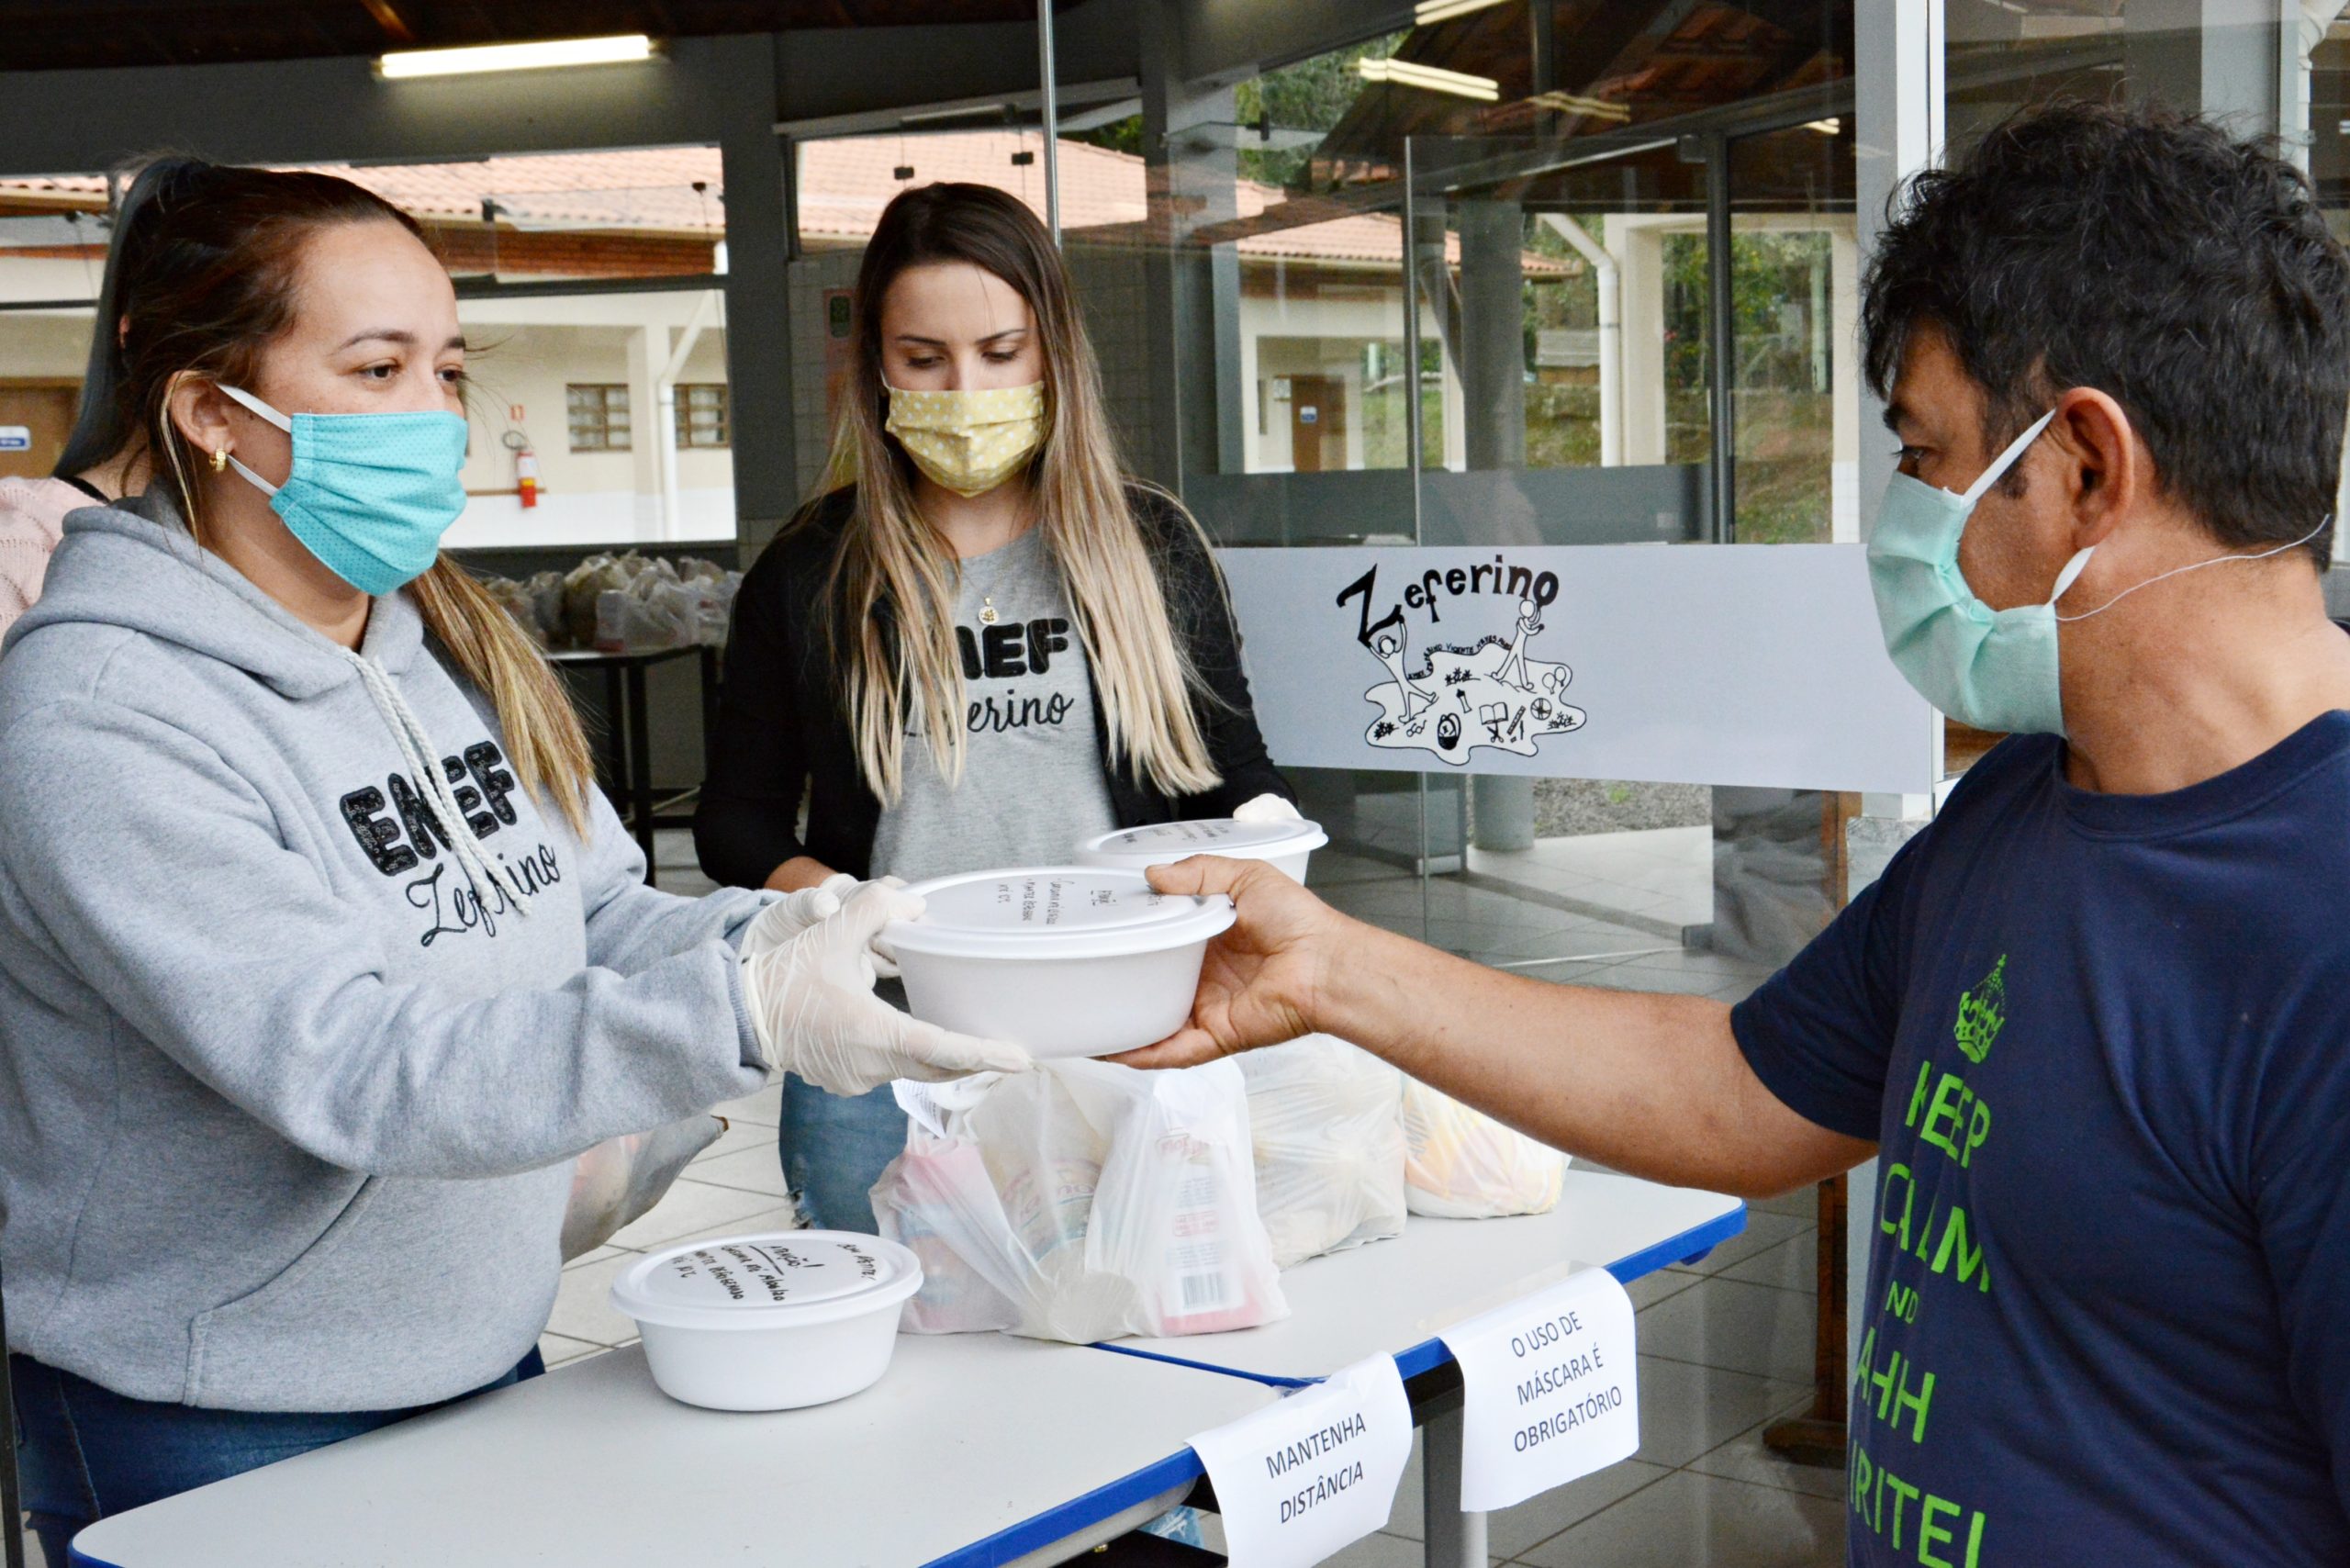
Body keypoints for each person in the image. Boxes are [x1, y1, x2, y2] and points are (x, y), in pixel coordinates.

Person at [1125, 103, 2350, 1564]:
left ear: (2086, 463)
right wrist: (1327, 972)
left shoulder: (2320, 925)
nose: (1901, 522)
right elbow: (1738, 1093)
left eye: (1927, 455)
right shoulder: (2032, 808)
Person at [0, 158, 1021, 1563]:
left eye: (447, 368)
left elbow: (592, 907)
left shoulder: (435, 656)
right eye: (376, 369)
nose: (432, 417)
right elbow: (348, 1063)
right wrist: (742, 1015)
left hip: (477, 1355)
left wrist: (805, 942)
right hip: (215, 1412)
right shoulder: (103, 716)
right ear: (209, 413)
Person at [694, 181, 1294, 1232]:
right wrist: (842, 906)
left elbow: (1234, 775)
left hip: (1123, 1023)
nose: (964, 388)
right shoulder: (811, 574)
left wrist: (1264, 838)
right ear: (875, 364)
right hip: (888, 1037)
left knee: (1120, 1337)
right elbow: (734, 819)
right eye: (924, 359)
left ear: (1054, 352)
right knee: (892, 1349)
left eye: (1001, 353)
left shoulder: (1148, 550)